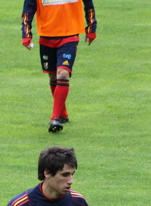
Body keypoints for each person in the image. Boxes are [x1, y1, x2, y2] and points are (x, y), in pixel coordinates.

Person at [21, 0, 98, 133]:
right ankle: (63, 114)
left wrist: (91, 28)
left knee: (63, 74)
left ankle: (55, 118)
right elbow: (27, 11)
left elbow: (89, 5)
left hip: (70, 35)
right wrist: (26, 35)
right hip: (46, 36)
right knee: (53, 76)